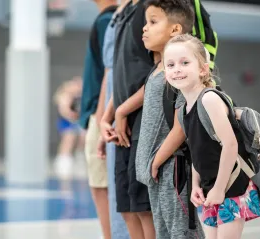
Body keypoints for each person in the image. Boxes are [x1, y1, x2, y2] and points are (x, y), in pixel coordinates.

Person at [164, 33, 260, 239]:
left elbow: (230, 145)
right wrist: (196, 185)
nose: (177, 69)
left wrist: (219, 189)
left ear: (202, 69)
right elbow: (196, 151)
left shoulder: (209, 99)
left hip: (232, 185)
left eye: (184, 62)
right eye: (170, 65)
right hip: (211, 189)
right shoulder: (183, 108)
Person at [134, 1, 205, 238]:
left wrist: (156, 161)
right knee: (166, 232)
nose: (144, 28)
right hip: (158, 173)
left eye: (153, 21)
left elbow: (181, 125)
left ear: (175, 29)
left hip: (173, 169)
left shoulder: (177, 73)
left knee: (182, 232)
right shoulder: (158, 70)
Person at [100, 0, 156, 238]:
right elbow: (121, 73)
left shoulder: (152, 9)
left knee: (144, 209)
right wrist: (108, 115)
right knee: (126, 208)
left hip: (143, 121)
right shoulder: (125, 13)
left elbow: (160, 73)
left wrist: (123, 111)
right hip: (122, 123)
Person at [79, 1, 117, 238]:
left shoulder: (106, 21)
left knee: (100, 184)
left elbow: (110, 71)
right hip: (101, 112)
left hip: (101, 114)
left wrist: (103, 116)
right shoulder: (107, 19)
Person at [97, 1, 131, 238]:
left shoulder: (142, 12)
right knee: (121, 196)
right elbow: (112, 74)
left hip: (130, 115)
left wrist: (117, 113)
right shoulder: (119, 15)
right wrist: (104, 119)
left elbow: (137, 74)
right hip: (115, 108)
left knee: (137, 205)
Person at [53, 76, 86, 179]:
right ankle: (63, 163)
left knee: (83, 138)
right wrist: (73, 117)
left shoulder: (81, 96)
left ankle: (80, 159)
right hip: (67, 122)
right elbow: (65, 111)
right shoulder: (65, 95)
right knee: (68, 139)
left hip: (77, 121)